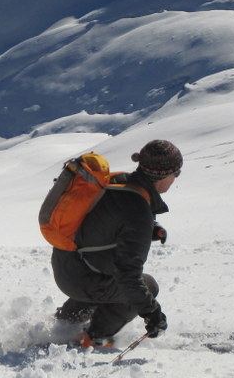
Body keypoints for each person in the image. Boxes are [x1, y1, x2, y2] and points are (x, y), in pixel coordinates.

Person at [47, 140, 182, 349]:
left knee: (104, 277)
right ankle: (94, 337)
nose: (176, 179)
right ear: (164, 175)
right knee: (147, 285)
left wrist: (150, 228)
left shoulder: (119, 182)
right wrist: (153, 314)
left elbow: (106, 219)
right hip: (81, 278)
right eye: (177, 173)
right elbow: (129, 277)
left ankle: (65, 323)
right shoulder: (138, 212)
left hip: (67, 263)